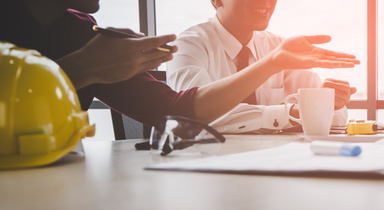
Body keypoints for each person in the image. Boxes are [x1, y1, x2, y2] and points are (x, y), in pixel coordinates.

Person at [0, 0, 359, 127]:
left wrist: (273, 63)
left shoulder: (83, 33)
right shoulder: (192, 42)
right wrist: (81, 70)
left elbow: (174, 110)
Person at [167, 0, 359, 133]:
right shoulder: (188, 46)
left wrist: (329, 100)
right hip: (204, 172)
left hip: (274, 169)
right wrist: (292, 113)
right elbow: (194, 114)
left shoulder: (279, 47)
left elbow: (336, 117)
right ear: (216, 0)